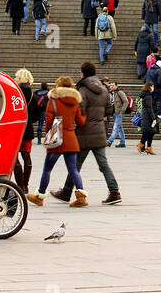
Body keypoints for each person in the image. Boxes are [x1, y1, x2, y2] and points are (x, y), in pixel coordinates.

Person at [51, 62, 121, 205]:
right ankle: (114, 192)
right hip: (99, 130)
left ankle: (66, 192)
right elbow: (109, 110)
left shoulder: (82, 90)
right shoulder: (103, 89)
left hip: (84, 132)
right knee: (103, 163)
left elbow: (79, 111)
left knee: (75, 164)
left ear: (83, 73)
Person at [27, 76, 87, 207]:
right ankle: (81, 196)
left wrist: (49, 133)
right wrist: (85, 114)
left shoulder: (53, 100)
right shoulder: (75, 101)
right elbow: (81, 122)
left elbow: (48, 121)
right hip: (71, 139)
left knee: (47, 169)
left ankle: (39, 196)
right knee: (73, 169)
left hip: (57, 138)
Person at [13, 69, 35, 192]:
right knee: (26, 156)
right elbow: (37, 112)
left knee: (15, 157)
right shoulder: (33, 93)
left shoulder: (16, 92)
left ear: (21, 77)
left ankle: (20, 185)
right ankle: (26, 185)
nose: (14, 78)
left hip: (17, 128)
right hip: (28, 129)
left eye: (16, 76)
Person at [136, 82, 159, 153]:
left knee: (151, 132)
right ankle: (141, 145)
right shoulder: (148, 96)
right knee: (148, 132)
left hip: (147, 116)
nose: (153, 88)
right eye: (152, 87)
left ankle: (148, 148)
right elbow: (149, 108)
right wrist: (153, 118)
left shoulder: (147, 95)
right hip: (149, 117)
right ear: (149, 87)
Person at [106, 80, 129, 148]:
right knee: (119, 127)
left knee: (115, 127)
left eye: (113, 85)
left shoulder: (120, 93)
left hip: (119, 113)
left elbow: (126, 102)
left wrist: (122, 110)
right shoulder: (109, 93)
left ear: (116, 86)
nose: (111, 87)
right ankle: (122, 142)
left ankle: (109, 141)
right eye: (110, 85)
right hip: (113, 113)